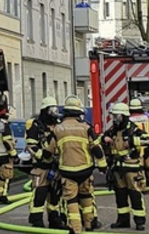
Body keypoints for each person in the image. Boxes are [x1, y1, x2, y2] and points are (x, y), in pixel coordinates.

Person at [48, 95, 103, 234]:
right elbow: (96, 148)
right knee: (86, 198)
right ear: (79, 113)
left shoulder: (57, 129)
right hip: (85, 170)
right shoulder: (86, 127)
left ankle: (76, 229)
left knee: (71, 201)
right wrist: (103, 165)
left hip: (67, 172)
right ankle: (89, 225)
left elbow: (49, 151)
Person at [103, 102, 149, 230]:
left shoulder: (132, 128)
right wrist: (105, 139)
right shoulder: (114, 129)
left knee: (135, 194)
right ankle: (123, 220)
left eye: (117, 116)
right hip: (118, 168)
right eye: (113, 116)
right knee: (120, 195)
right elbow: (103, 136)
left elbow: (147, 140)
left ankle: (139, 221)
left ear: (123, 116)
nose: (114, 119)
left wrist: (132, 141)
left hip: (131, 168)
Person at [26, 96, 64, 229]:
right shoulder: (36, 125)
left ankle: (54, 219)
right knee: (40, 193)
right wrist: (42, 155)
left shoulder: (58, 125)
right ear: (45, 110)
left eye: (55, 109)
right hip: (41, 167)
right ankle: (36, 219)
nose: (54, 112)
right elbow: (31, 145)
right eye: (51, 109)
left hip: (56, 167)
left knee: (55, 195)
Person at [127, 99, 149, 193]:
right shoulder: (147, 118)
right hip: (148, 145)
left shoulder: (130, 119)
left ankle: (142, 188)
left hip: (138, 147)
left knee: (140, 168)